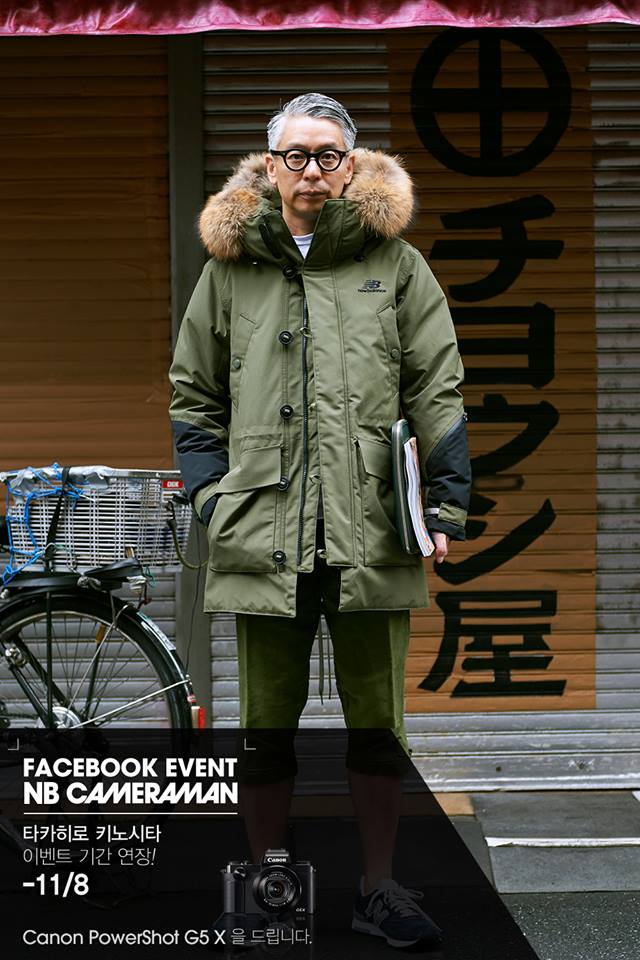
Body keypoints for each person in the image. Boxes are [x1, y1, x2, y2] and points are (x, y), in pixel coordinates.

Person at [169, 92, 471, 949]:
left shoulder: (394, 264)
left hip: (370, 526)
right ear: (270, 167)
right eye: (296, 156)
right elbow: (193, 393)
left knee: (377, 729)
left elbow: (437, 383)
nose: (311, 171)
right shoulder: (230, 271)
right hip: (263, 531)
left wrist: (446, 501)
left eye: (327, 155)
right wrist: (211, 498)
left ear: (351, 165)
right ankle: (270, 891)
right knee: (265, 731)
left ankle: (379, 888)